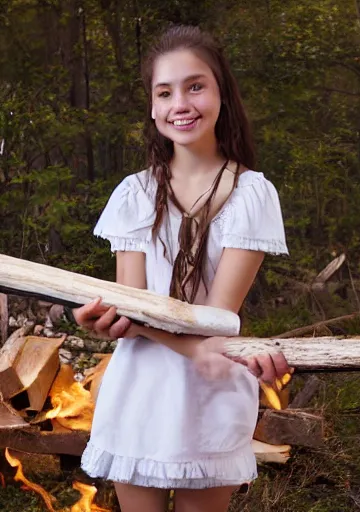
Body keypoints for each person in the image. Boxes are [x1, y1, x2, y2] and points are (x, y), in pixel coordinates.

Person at [69, 24, 290, 512]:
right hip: (140, 389)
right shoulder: (134, 193)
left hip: (210, 391)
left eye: (195, 86)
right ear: (152, 107)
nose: (180, 103)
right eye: (164, 92)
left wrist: (192, 348)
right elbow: (133, 306)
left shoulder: (252, 193)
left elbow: (216, 318)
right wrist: (109, 322)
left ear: (221, 94)